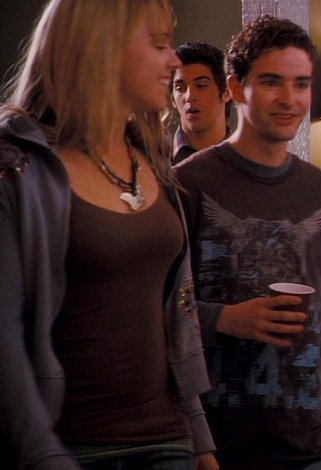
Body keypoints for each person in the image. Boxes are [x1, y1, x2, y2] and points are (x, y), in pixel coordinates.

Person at [0, 0, 217, 469]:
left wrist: (199, 436)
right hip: (74, 448)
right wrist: (43, 456)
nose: (174, 60)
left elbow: (174, 311)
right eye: (158, 43)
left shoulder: (152, 159)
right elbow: (4, 337)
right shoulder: (18, 167)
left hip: (168, 443)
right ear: (101, 46)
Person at [175, 15, 321, 470]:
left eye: (301, 84)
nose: (290, 99)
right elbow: (155, 315)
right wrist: (225, 318)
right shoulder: (186, 185)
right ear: (236, 88)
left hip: (309, 444)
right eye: (272, 82)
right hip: (216, 444)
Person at [170, 41, 232, 165]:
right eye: (180, 88)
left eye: (201, 85)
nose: (189, 96)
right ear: (172, 99)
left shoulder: (249, 158)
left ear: (226, 92)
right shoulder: (154, 160)